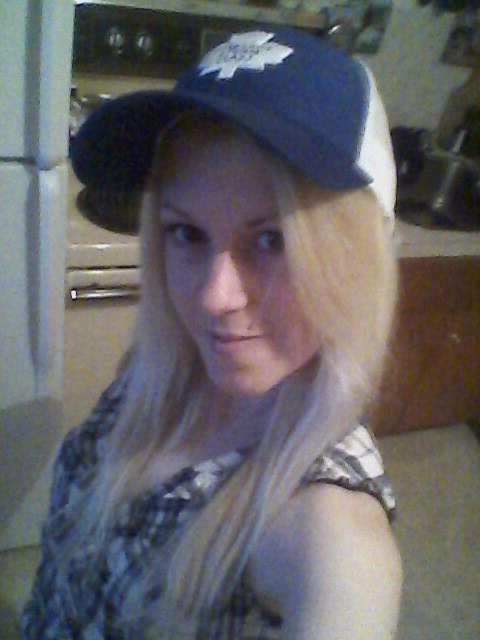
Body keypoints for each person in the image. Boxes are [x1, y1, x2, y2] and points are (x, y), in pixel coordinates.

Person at [22, 28, 402, 639]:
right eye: (187, 233)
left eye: (273, 240)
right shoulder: (160, 364)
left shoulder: (329, 538)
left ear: (360, 257)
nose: (211, 299)